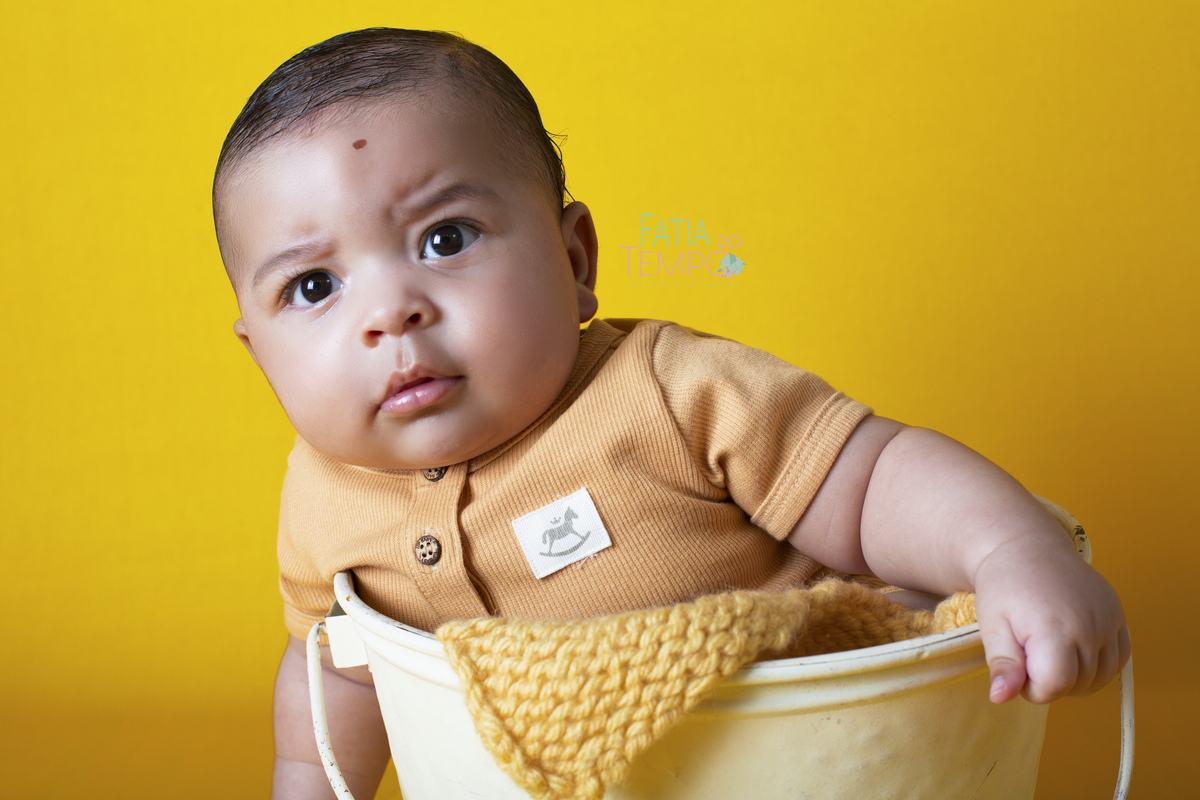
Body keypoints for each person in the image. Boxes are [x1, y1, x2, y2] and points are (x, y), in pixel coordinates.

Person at [213, 28, 1130, 799]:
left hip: (805, 756)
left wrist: (1010, 552)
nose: (390, 312)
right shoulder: (320, 495)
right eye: (314, 285)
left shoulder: (672, 392)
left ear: (575, 261)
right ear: (260, 359)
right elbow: (335, 665)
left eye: (445, 238)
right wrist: (307, 779)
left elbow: (873, 480)